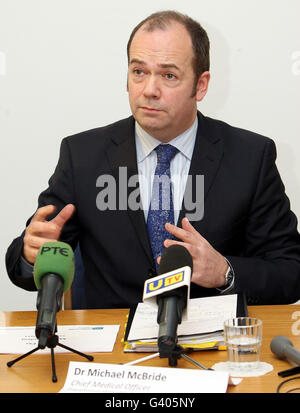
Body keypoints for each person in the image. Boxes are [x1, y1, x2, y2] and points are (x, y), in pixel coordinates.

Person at [6, 10, 300, 308]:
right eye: (139, 72)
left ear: (201, 85)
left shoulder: (250, 157)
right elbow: (25, 266)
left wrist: (224, 272)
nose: (149, 90)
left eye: (168, 75)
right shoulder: (82, 155)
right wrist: (31, 255)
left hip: (213, 345)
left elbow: (291, 272)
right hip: (114, 347)